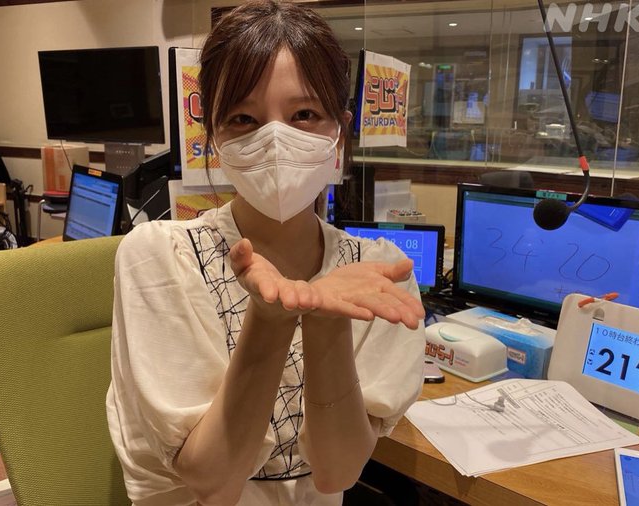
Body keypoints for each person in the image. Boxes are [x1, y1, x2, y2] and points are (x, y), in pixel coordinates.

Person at [106, 1, 426, 505]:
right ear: (212, 135)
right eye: (243, 118)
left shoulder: (376, 275)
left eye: (304, 114)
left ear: (339, 130)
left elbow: (337, 473)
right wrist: (270, 321)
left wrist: (325, 320)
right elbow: (212, 482)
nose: (275, 138)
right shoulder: (159, 258)